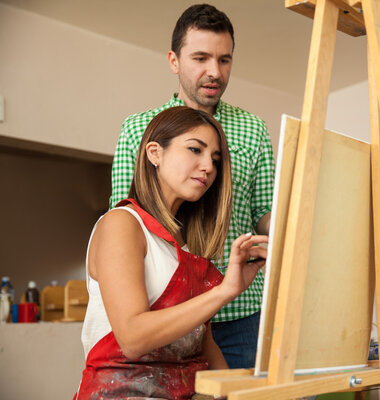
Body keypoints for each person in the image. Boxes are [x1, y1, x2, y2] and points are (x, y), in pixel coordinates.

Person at [109, 4, 275, 368]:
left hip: (240, 312)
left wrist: (287, 229)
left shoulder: (254, 129)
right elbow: (125, 218)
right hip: (167, 312)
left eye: (224, 60)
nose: (214, 71)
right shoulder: (138, 128)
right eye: (200, 58)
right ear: (174, 60)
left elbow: (263, 210)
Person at [75, 106, 268, 399]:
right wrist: (225, 291)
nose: (208, 167)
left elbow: (204, 345)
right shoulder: (122, 224)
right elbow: (133, 338)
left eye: (215, 160)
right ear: (155, 153)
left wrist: (234, 394)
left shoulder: (188, 247)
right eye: (195, 149)